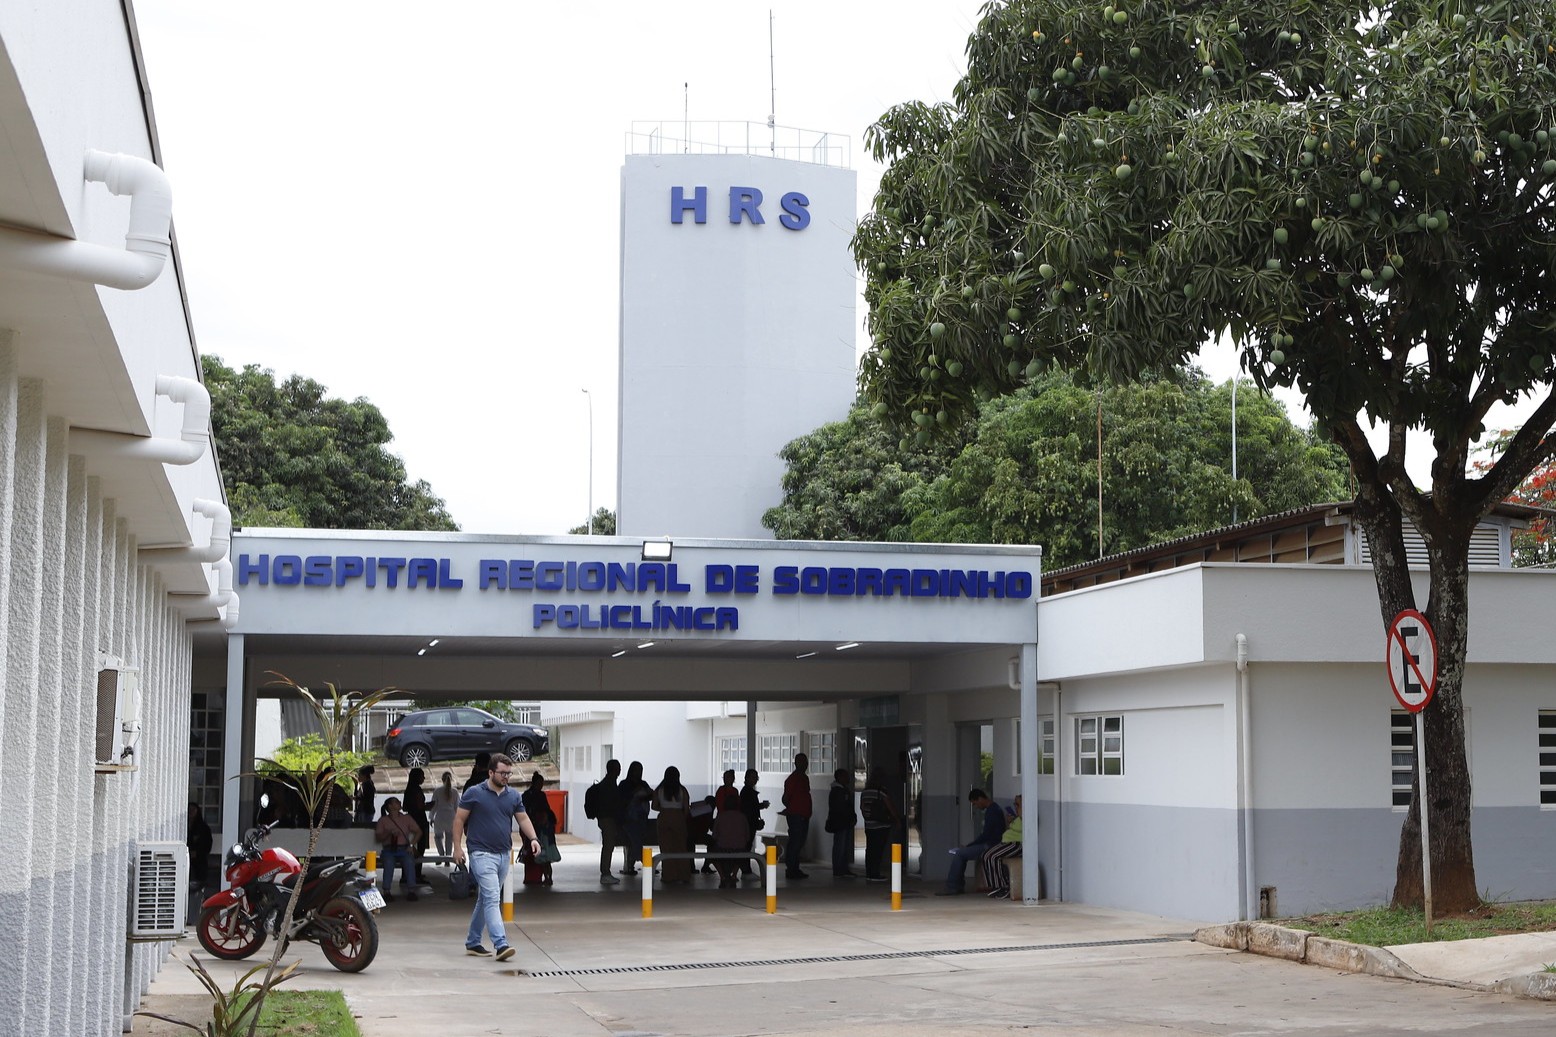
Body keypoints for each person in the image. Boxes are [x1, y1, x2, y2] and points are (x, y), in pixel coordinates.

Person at [453, 752, 540, 962]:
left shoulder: (513, 796)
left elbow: (523, 818)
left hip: (503, 855)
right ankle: (501, 944)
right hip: (481, 853)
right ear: (491, 772)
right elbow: (459, 820)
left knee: (485, 898)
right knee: (492, 898)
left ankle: (473, 941)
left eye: (509, 773)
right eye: (502, 773)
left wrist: (533, 838)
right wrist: (457, 848)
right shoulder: (474, 793)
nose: (506, 777)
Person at [935, 788, 1006, 896]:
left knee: (959, 854)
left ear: (980, 799)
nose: (976, 806)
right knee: (961, 854)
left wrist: (969, 846)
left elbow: (986, 835)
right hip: (991, 842)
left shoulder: (992, 811)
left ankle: (952, 886)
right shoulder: (994, 809)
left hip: (991, 844)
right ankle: (956, 886)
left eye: (975, 803)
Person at [374, 797, 421, 901]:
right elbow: (378, 838)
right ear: (390, 806)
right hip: (389, 849)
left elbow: (418, 831)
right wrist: (389, 833)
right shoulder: (383, 820)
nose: (399, 803)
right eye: (396, 802)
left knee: (409, 862)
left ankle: (411, 891)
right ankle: (387, 891)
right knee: (389, 863)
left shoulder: (406, 818)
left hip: (404, 848)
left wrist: (411, 845)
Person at [652, 765, 692, 883]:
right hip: (678, 818)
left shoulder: (659, 790)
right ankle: (683, 875)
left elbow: (654, 806)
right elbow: (686, 809)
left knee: (666, 848)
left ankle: (668, 875)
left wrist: (664, 809)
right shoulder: (682, 790)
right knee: (681, 847)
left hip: (664, 818)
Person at [859, 767, 899, 883]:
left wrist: (867, 818)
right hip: (881, 825)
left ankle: (869, 872)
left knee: (870, 849)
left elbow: (862, 807)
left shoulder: (865, 791)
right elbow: (890, 806)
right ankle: (875, 873)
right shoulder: (882, 791)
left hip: (869, 825)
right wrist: (897, 820)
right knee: (878, 850)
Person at [980, 795, 1024, 900]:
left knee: (992, 856)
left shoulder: (1026, 817)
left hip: (1016, 844)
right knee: (985, 855)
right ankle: (996, 885)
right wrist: (1010, 821)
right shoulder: (1017, 818)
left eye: (1017, 804)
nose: (1015, 807)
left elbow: (1021, 828)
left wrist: (1018, 813)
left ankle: (1004, 887)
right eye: (1014, 804)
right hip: (1007, 843)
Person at [588, 759, 623, 884]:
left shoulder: (606, 783)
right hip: (608, 819)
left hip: (604, 818)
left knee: (608, 846)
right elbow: (613, 803)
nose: (620, 770)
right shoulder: (609, 785)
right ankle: (605, 873)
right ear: (615, 770)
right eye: (618, 768)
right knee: (608, 846)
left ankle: (606, 872)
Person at [521, 771, 557, 886]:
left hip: (536, 828)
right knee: (539, 855)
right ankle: (538, 877)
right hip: (534, 827)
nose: (541, 786)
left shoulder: (529, 795)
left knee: (538, 855)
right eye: (540, 783)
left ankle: (536, 877)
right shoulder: (534, 796)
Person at [710, 785, 750, 888]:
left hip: (722, 848)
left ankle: (722, 876)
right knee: (741, 854)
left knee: (711, 853)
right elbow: (747, 837)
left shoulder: (720, 817)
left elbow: (714, 836)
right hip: (739, 849)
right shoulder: (742, 817)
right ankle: (734, 874)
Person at [781, 752, 813, 879]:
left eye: (806, 762)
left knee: (799, 842)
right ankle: (791, 868)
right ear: (796, 763)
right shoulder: (793, 779)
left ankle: (795, 868)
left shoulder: (804, 778)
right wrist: (792, 808)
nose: (805, 764)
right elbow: (786, 798)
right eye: (801, 762)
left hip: (803, 815)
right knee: (795, 841)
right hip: (796, 815)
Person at [619, 760, 652, 876]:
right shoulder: (624, 784)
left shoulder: (643, 784)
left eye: (640, 770)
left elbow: (651, 795)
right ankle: (646, 863)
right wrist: (634, 794)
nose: (638, 773)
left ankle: (634, 863)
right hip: (629, 819)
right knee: (635, 840)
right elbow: (621, 800)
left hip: (641, 818)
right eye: (636, 770)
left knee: (636, 840)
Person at [825, 768, 857, 878]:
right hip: (841, 823)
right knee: (840, 846)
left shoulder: (842, 790)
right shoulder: (838, 791)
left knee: (843, 846)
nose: (848, 778)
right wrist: (849, 817)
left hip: (843, 822)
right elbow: (842, 808)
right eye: (845, 776)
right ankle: (839, 870)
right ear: (840, 777)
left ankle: (842, 869)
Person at [738, 768, 769, 879]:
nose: (755, 779)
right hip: (748, 823)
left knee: (747, 845)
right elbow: (749, 808)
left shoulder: (747, 791)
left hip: (749, 823)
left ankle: (746, 870)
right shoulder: (747, 792)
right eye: (753, 777)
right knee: (746, 846)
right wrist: (760, 807)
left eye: (756, 778)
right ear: (746, 778)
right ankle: (746, 870)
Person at [402, 766, 430, 883]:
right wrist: (427, 806)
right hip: (419, 821)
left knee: (410, 849)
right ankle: (416, 874)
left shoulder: (408, 789)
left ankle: (406, 874)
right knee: (419, 849)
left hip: (411, 820)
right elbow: (419, 806)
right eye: (422, 776)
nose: (424, 778)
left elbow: (405, 807)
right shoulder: (416, 790)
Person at [431, 770, 460, 857]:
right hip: (451, 817)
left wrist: (431, 817)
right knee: (449, 838)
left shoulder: (437, 791)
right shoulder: (454, 791)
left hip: (440, 816)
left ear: (442, 779)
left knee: (438, 837)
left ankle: (441, 854)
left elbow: (433, 806)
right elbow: (457, 806)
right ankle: (448, 856)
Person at [186, 802, 213, 893]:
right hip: (185, 860)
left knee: (198, 887)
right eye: (189, 809)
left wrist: (197, 853)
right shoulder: (183, 826)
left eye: (193, 810)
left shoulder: (203, 828)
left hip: (199, 863)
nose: (191, 812)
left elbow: (208, 845)